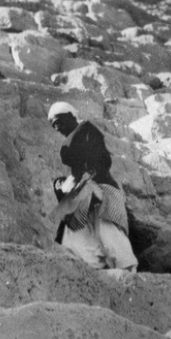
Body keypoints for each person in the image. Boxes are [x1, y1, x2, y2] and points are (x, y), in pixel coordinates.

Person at [48, 101, 137, 271]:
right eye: (53, 124)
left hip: (103, 189)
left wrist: (71, 185)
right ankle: (96, 273)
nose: (56, 127)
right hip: (88, 195)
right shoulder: (80, 135)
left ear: (71, 116)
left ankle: (126, 273)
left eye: (58, 121)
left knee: (108, 231)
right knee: (74, 236)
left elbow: (100, 162)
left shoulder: (85, 131)